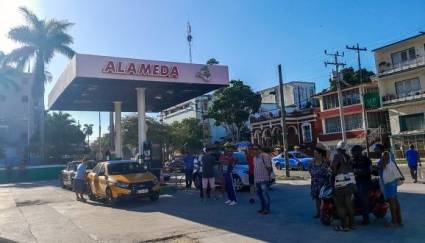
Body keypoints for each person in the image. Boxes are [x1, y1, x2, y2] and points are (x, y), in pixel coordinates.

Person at [331, 141, 356, 231]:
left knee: (340, 205)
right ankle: (352, 224)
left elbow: (333, 168)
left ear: (338, 149)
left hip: (341, 183)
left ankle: (344, 226)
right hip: (350, 183)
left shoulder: (337, 156)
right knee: (349, 204)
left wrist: (332, 169)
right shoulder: (348, 157)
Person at [378, 151, 403, 227]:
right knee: (395, 200)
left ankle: (394, 221)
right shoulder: (390, 154)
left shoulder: (385, 154)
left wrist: (379, 166)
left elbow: (383, 166)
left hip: (389, 182)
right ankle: (399, 220)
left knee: (391, 202)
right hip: (393, 180)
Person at [350, 145, 372, 225]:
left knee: (361, 195)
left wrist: (357, 171)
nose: (352, 154)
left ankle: (366, 218)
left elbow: (367, 170)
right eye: (352, 152)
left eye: (354, 152)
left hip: (364, 181)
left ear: (359, 152)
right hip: (353, 181)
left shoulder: (366, 160)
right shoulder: (351, 160)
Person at [309, 143, 329, 218]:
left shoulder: (325, 162)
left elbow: (324, 171)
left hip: (323, 183)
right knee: (317, 199)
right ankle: (318, 213)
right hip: (314, 183)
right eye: (314, 153)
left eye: (316, 153)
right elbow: (309, 170)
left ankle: (323, 213)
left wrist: (322, 147)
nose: (315, 154)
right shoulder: (312, 162)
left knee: (323, 199)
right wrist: (313, 175)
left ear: (320, 154)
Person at [252, 145, 273, 215]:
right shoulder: (254, 158)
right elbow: (255, 168)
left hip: (264, 179)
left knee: (265, 194)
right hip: (257, 179)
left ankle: (267, 209)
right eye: (253, 149)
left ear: (259, 149)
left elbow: (269, 168)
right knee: (260, 195)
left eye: (256, 149)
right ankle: (262, 208)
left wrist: (269, 178)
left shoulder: (264, 156)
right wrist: (255, 179)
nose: (254, 151)